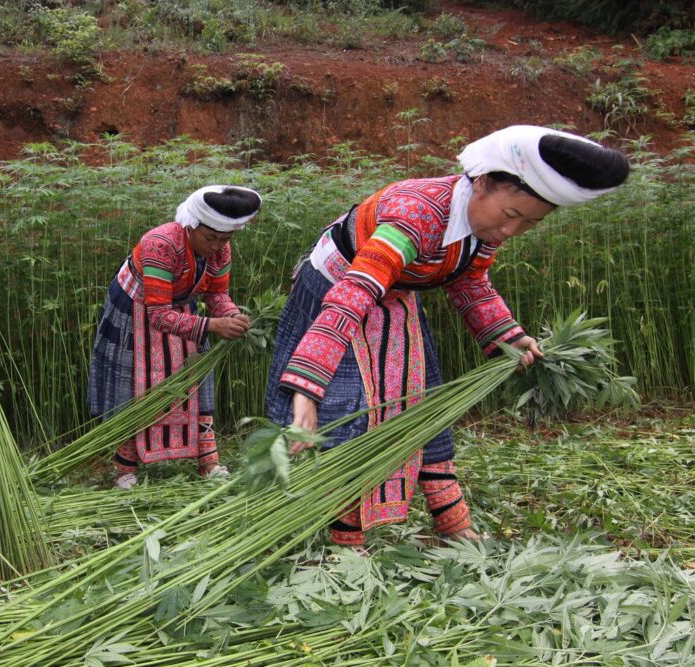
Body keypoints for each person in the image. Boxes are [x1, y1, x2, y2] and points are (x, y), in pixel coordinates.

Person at [266, 125, 629, 547]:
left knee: (419, 400)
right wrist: (308, 389)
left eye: (530, 223)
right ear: (482, 184)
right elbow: (352, 297)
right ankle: (347, 539)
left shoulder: (483, 232)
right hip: (336, 291)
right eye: (511, 216)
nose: (512, 231)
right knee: (351, 413)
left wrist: (510, 337)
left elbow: (470, 282)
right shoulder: (415, 214)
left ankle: (452, 524)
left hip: (396, 297)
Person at [88, 185, 262, 489]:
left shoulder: (220, 248)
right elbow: (158, 316)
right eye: (211, 238)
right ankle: (124, 470)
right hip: (136, 307)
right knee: (134, 387)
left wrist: (232, 315)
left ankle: (209, 463)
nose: (217, 246)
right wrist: (213, 325)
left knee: (194, 379)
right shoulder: (161, 244)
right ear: (192, 226)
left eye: (226, 239)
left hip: (182, 306)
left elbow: (217, 292)